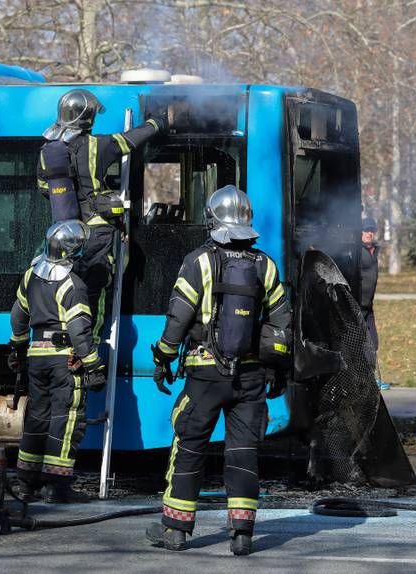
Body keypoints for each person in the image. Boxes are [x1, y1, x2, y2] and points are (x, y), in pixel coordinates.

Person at [144, 185, 292, 556]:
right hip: (251, 377)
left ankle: (176, 530)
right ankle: (242, 533)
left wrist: (163, 357)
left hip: (206, 375)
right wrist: (276, 371)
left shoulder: (199, 262)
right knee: (243, 450)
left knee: (189, 446)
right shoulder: (265, 265)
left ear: (212, 219)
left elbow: (178, 315)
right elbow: (282, 323)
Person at [38, 89, 168, 344]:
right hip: (96, 230)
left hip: (65, 235)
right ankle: (90, 346)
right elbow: (129, 140)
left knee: (72, 287)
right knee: (94, 289)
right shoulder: (96, 146)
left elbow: (44, 190)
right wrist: (157, 122)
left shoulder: (47, 152)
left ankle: (70, 338)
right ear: (87, 119)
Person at [8, 220, 106, 503]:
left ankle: (26, 483)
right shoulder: (73, 284)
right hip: (65, 359)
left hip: (36, 357)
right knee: (66, 420)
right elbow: (78, 330)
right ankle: (57, 486)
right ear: (72, 252)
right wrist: (94, 366)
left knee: (37, 418)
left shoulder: (31, 276)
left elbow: (18, 316)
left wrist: (16, 348)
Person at [360, 216, 379, 352]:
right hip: (356, 307)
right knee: (358, 346)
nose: (369, 233)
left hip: (368, 307)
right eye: (366, 230)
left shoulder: (374, 251)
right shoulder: (356, 251)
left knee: (373, 344)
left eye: (371, 230)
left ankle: (368, 372)